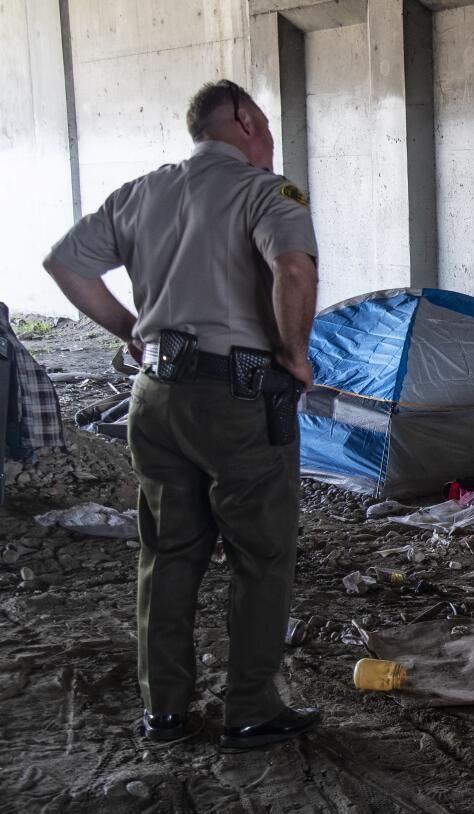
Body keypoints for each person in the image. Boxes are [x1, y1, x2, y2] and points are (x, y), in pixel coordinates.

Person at [42, 80, 321, 749]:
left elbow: (64, 264)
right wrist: (296, 352)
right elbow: (292, 271)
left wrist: (130, 331)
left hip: (156, 396)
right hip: (237, 397)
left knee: (168, 553)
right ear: (246, 120)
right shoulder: (267, 190)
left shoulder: (144, 191)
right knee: (260, 554)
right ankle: (249, 706)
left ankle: (164, 710)